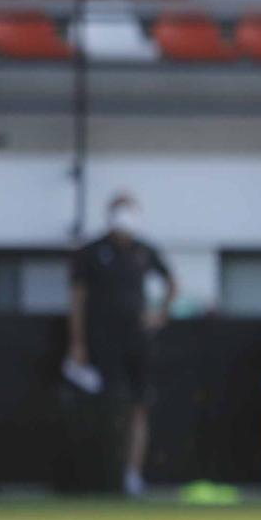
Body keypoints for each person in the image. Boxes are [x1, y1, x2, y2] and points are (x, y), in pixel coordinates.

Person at [67, 192, 177, 499]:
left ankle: (132, 474)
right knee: (108, 407)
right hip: (102, 342)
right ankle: (105, 473)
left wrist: (160, 315)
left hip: (138, 343)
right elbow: (77, 299)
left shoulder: (144, 251)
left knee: (138, 408)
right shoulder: (91, 252)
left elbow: (173, 283)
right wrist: (77, 343)